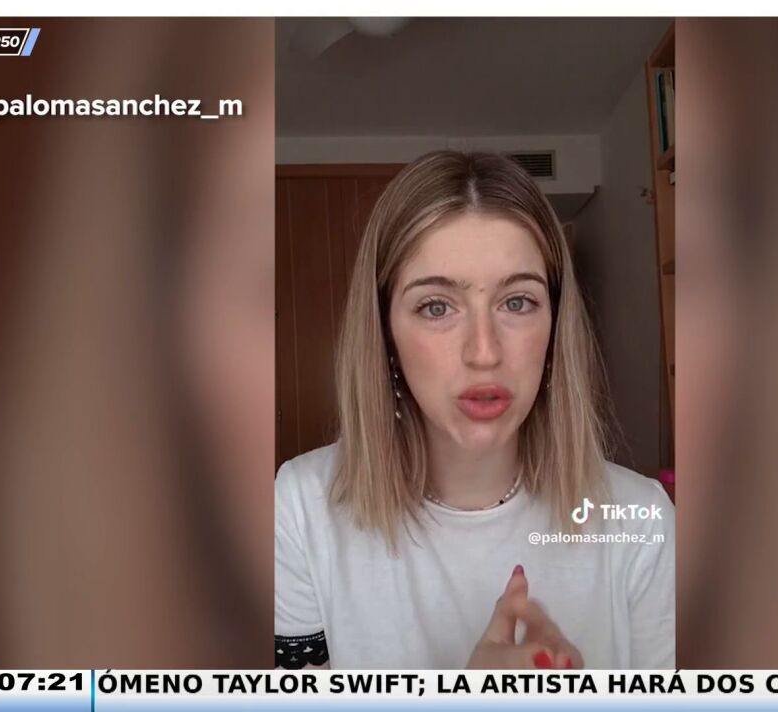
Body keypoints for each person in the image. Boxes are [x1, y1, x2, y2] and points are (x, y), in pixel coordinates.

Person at [274, 151, 674, 670]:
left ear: (555, 329)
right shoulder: (302, 508)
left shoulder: (641, 522)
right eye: (436, 307)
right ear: (386, 336)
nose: (484, 352)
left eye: (517, 302)